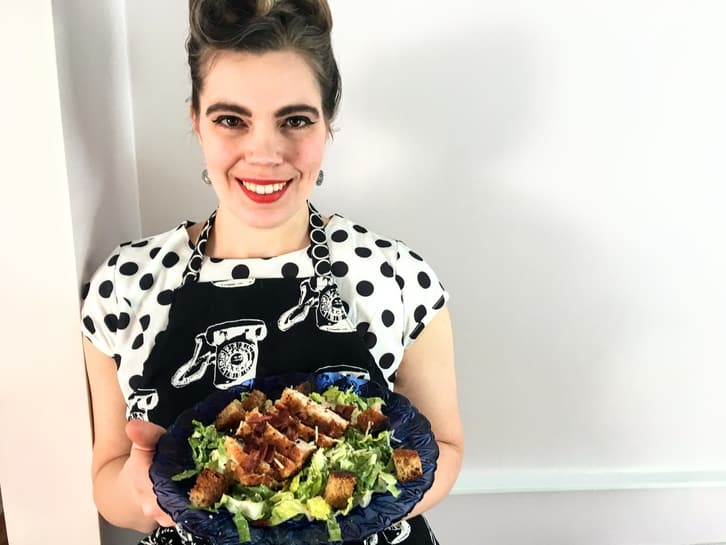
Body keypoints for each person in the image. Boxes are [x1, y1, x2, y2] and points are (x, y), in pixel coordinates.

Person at [80, 1, 463, 544]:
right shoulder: (124, 285)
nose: (264, 153)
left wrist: (353, 502)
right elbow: (107, 477)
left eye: (295, 119)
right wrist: (140, 489)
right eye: (231, 120)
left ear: (328, 123)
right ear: (196, 120)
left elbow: (443, 445)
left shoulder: (396, 276)